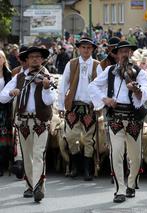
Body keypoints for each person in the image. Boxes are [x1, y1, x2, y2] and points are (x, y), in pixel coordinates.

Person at [88, 40, 147, 203]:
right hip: (115, 117)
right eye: (122, 52)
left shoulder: (139, 72)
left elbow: (145, 93)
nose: (125, 54)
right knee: (116, 153)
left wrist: (136, 89)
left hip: (134, 118)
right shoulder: (109, 71)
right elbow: (92, 86)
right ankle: (119, 189)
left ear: (131, 54)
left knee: (136, 156)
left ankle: (131, 184)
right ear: (116, 54)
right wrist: (105, 99)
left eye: (128, 51)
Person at [0, 46, 55, 202]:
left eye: (38, 57)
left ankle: (38, 187)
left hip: (40, 121)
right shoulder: (19, 78)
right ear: (27, 60)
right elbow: (2, 97)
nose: (35, 59)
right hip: (23, 121)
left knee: (38, 155)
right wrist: (11, 92)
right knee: (27, 156)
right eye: (32, 57)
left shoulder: (46, 77)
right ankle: (29, 185)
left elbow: (50, 100)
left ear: (42, 59)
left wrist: (45, 88)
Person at [57, 37, 100, 181]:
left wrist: (100, 105)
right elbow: (63, 84)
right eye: (83, 47)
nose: (86, 50)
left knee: (89, 139)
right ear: (78, 49)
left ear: (92, 49)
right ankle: (75, 164)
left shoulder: (96, 65)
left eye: (89, 48)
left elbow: (102, 87)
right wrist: (60, 105)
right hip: (73, 105)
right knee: (70, 136)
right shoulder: (72, 64)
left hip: (89, 107)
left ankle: (87, 168)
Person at [0, 50, 13, 177]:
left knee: (3, 137)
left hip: (4, 109)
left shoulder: (8, 75)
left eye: (0, 58)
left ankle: (3, 164)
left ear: (4, 60)